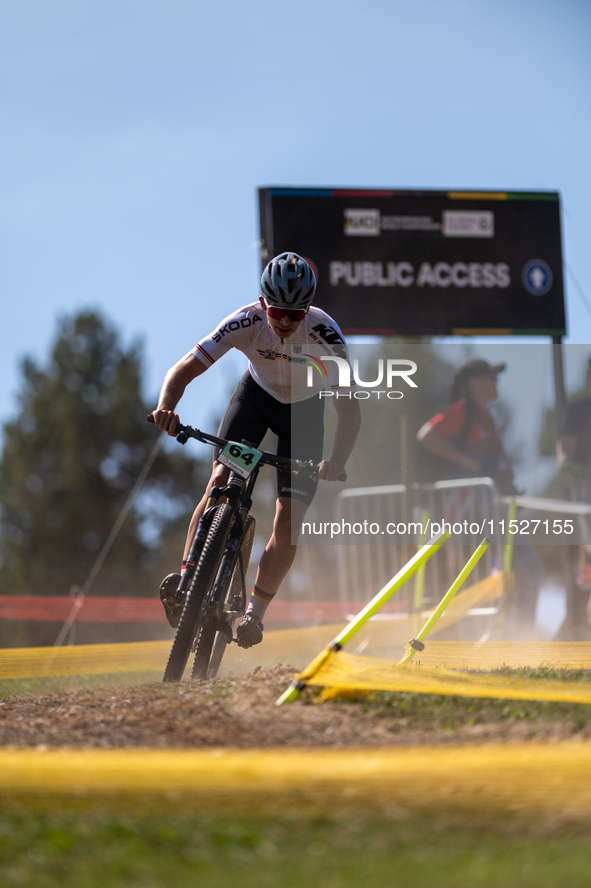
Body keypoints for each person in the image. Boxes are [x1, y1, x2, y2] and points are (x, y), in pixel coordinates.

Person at [152, 252, 361, 647]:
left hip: (302, 416)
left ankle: (254, 616)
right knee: (219, 481)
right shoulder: (245, 320)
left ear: (308, 311)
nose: (284, 321)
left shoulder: (327, 336)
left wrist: (336, 461)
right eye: (278, 311)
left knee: (288, 522)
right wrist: (167, 407)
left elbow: (349, 410)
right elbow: (184, 367)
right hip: (255, 401)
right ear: (264, 303)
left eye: (295, 315)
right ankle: (188, 578)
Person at [417, 357, 542, 633]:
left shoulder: (486, 416)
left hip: (495, 508)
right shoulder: (463, 411)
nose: (496, 380)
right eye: (490, 376)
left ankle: (521, 635)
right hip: (470, 509)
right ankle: (478, 640)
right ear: (473, 382)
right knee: (474, 575)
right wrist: (470, 464)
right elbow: (427, 435)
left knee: (524, 568)